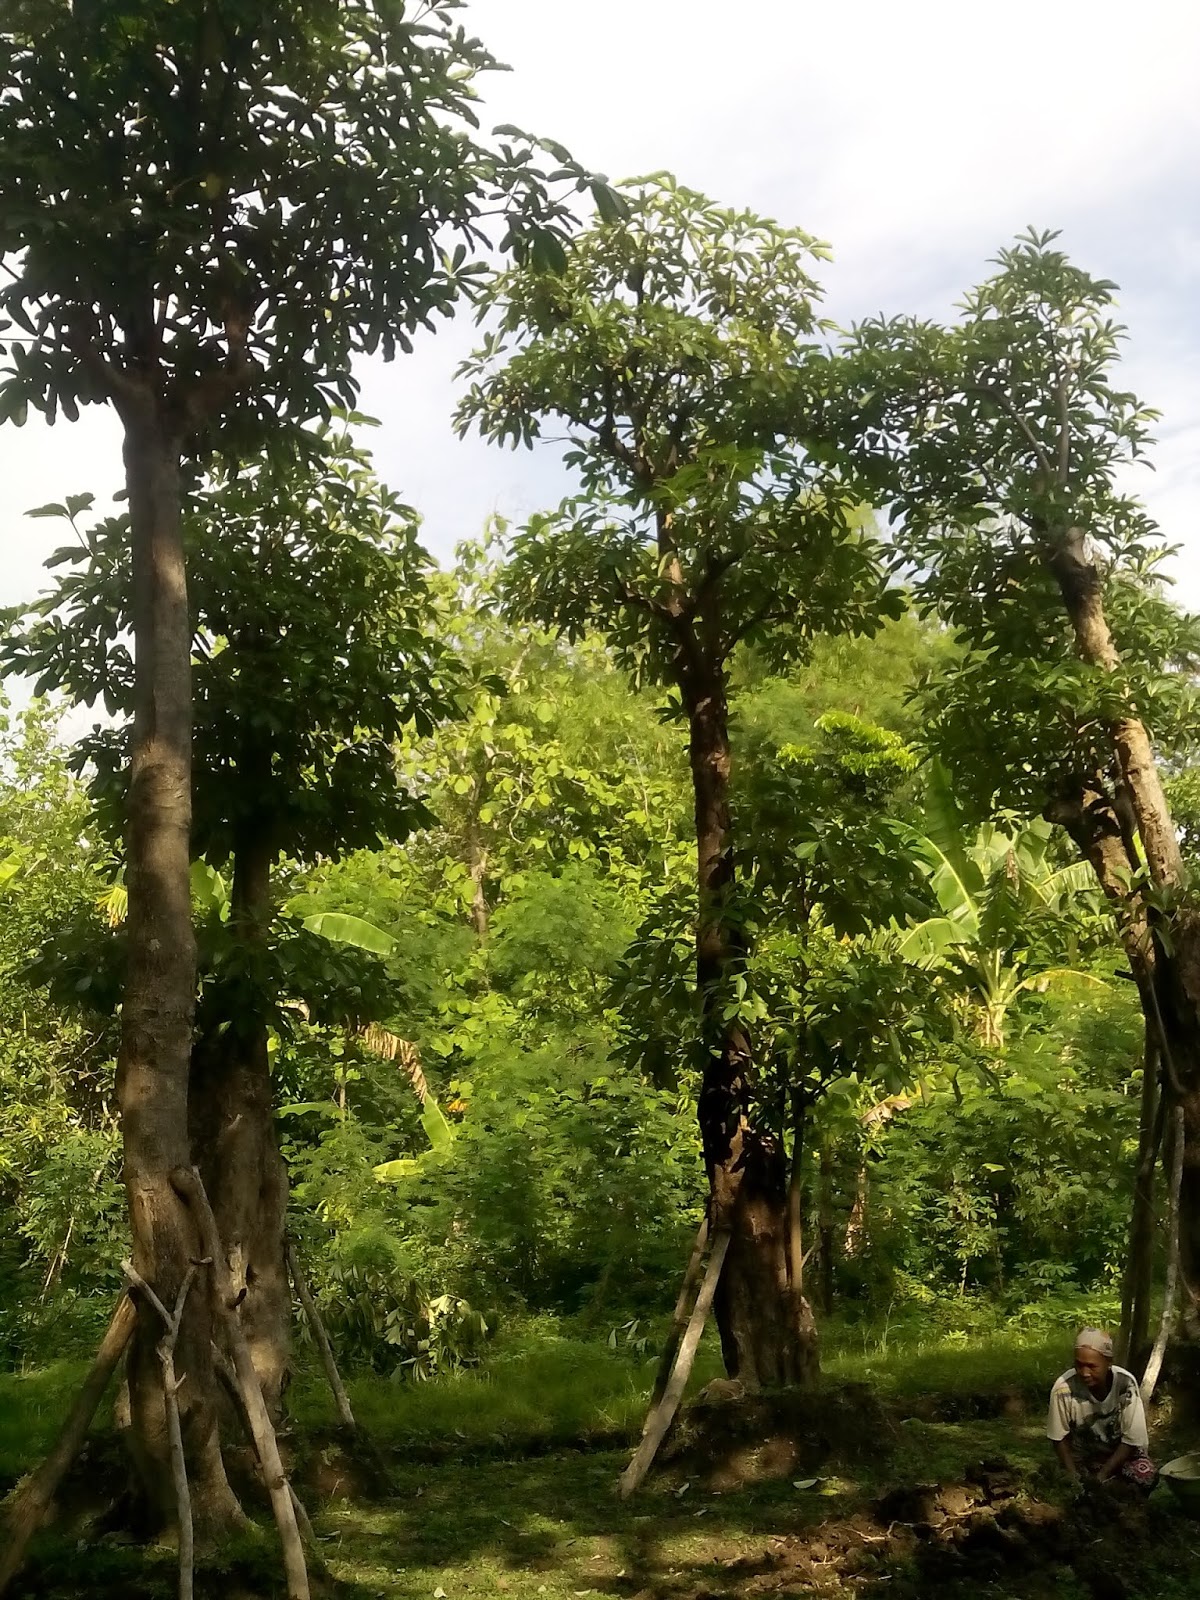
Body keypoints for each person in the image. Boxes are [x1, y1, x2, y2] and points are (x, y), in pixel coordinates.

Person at [1046, 1327, 1157, 1491]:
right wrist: (1073, 1476)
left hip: (1121, 1456)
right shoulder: (1063, 1389)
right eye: (1079, 1365)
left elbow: (1132, 1440)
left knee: (1145, 1476)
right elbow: (1058, 1438)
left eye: (1092, 1366)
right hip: (1083, 1458)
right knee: (1062, 1485)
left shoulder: (1126, 1385)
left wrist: (1101, 1476)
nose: (1084, 1372)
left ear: (1109, 1362)